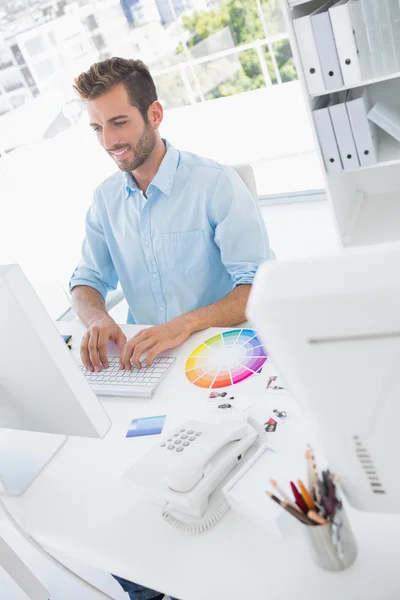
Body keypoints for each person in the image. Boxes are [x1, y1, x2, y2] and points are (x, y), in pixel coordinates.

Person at [70, 56, 272, 600]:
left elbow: (259, 288)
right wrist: (97, 317)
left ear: (153, 113)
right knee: (107, 498)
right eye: (97, 127)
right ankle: (154, 585)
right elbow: (85, 281)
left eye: (119, 123)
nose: (109, 140)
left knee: (203, 498)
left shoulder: (215, 185)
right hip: (150, 370)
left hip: (222, 363)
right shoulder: (106, 200)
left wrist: (182, 325)